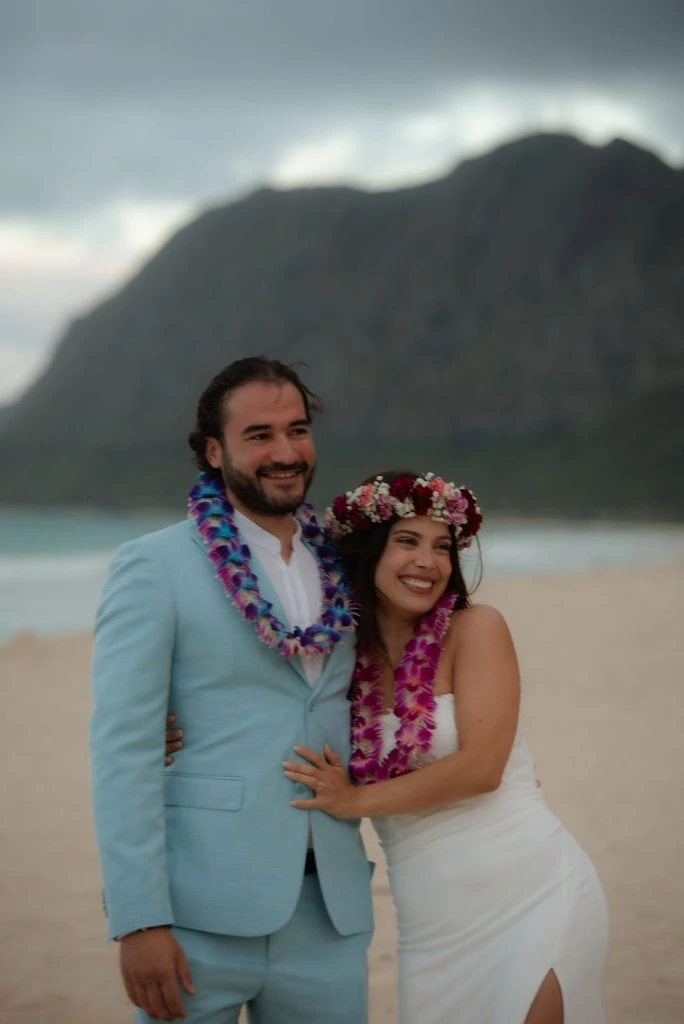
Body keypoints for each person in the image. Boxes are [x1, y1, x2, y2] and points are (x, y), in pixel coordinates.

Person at [89, 357, 374, 1024]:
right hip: (197, 916)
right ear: (213, 451)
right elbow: (121, 751)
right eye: (259, 435)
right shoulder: (153, 566)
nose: (284, 452)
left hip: (329, 917)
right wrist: (138, 920)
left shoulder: (351, 562)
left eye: (297, 430)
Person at [278, 470, 610, 1023]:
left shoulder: (475, 628)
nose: (428, 563)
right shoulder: (336, 665)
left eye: (442, 547)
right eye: (407, 541)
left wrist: (353, 801)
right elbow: (264, 707)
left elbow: (481, 768)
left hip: (533, 893)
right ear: (367, 551)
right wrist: (176, 730)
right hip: (431, 925)